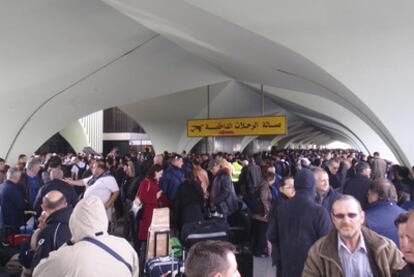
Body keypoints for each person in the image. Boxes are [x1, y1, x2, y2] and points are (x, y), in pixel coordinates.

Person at [32, 196, 139, 277]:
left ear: (74, 221)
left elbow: (38, 273)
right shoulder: (125, 245)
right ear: (103, 218)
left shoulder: (66, 256)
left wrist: (68, 244)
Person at [303, 195, 405, 277]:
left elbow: (404, 272)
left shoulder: (385, 247)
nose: (346, 221)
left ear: (361, 217)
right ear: (333, 219)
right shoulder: (319, 251)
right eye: (339, 216)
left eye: (352, 215)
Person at [274, 169, 332, 277]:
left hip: (287, 263)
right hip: (311, 267)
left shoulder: (282, 207)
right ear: (313, 186)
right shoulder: (319, 211)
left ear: (295, 186)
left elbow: (272, 235)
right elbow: (327, 243)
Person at [31, 191, 72, 269]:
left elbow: (37, 266)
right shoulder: (77, 220)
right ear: (65, 204)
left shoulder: (48, 232)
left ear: (43, 207)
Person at [136, 164, 170, 261]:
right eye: (160, 173)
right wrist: (156, 197)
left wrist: (172, 204)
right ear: (155, 172)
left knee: (150, 242)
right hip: (147, 217)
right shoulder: (145, 182)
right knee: (146, 243)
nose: (161, 175)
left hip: (153, 216)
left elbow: (161, 197)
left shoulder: (155, 182)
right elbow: (143, 198)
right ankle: (143, 269)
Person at [365, 178, 406, 246]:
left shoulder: (364, 219)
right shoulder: (407, 216)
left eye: (369, 194)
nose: (367, 196)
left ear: (376, 196)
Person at [267, 176, 295, 276]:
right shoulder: (282, 204)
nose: (293, 189)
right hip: (283, 248)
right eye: (290, 187)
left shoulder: (283, 202)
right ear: (281, 189)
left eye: (294, 186)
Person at [173, 170, 205, 234]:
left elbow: (177, 205)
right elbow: (202, 201)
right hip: (198, 214)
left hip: (185, 216)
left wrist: (175, 223)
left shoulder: (181, 187)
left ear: (184, 177)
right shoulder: (198, 186)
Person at [251, 171, 274, 256]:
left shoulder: (262, 184)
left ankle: (257, 249)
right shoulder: (265, 186)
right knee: (262, 231)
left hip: (259, 213)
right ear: (270, 179)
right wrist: (267, 210)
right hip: (262, 213)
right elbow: (263, 199)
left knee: (259, 231)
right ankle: (259, 250)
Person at [0, 166, 26, 233]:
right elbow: (21, 205)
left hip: (3, 222)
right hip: (13, 223)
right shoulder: (14, 189)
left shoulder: (1, 186)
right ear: (16, 177)